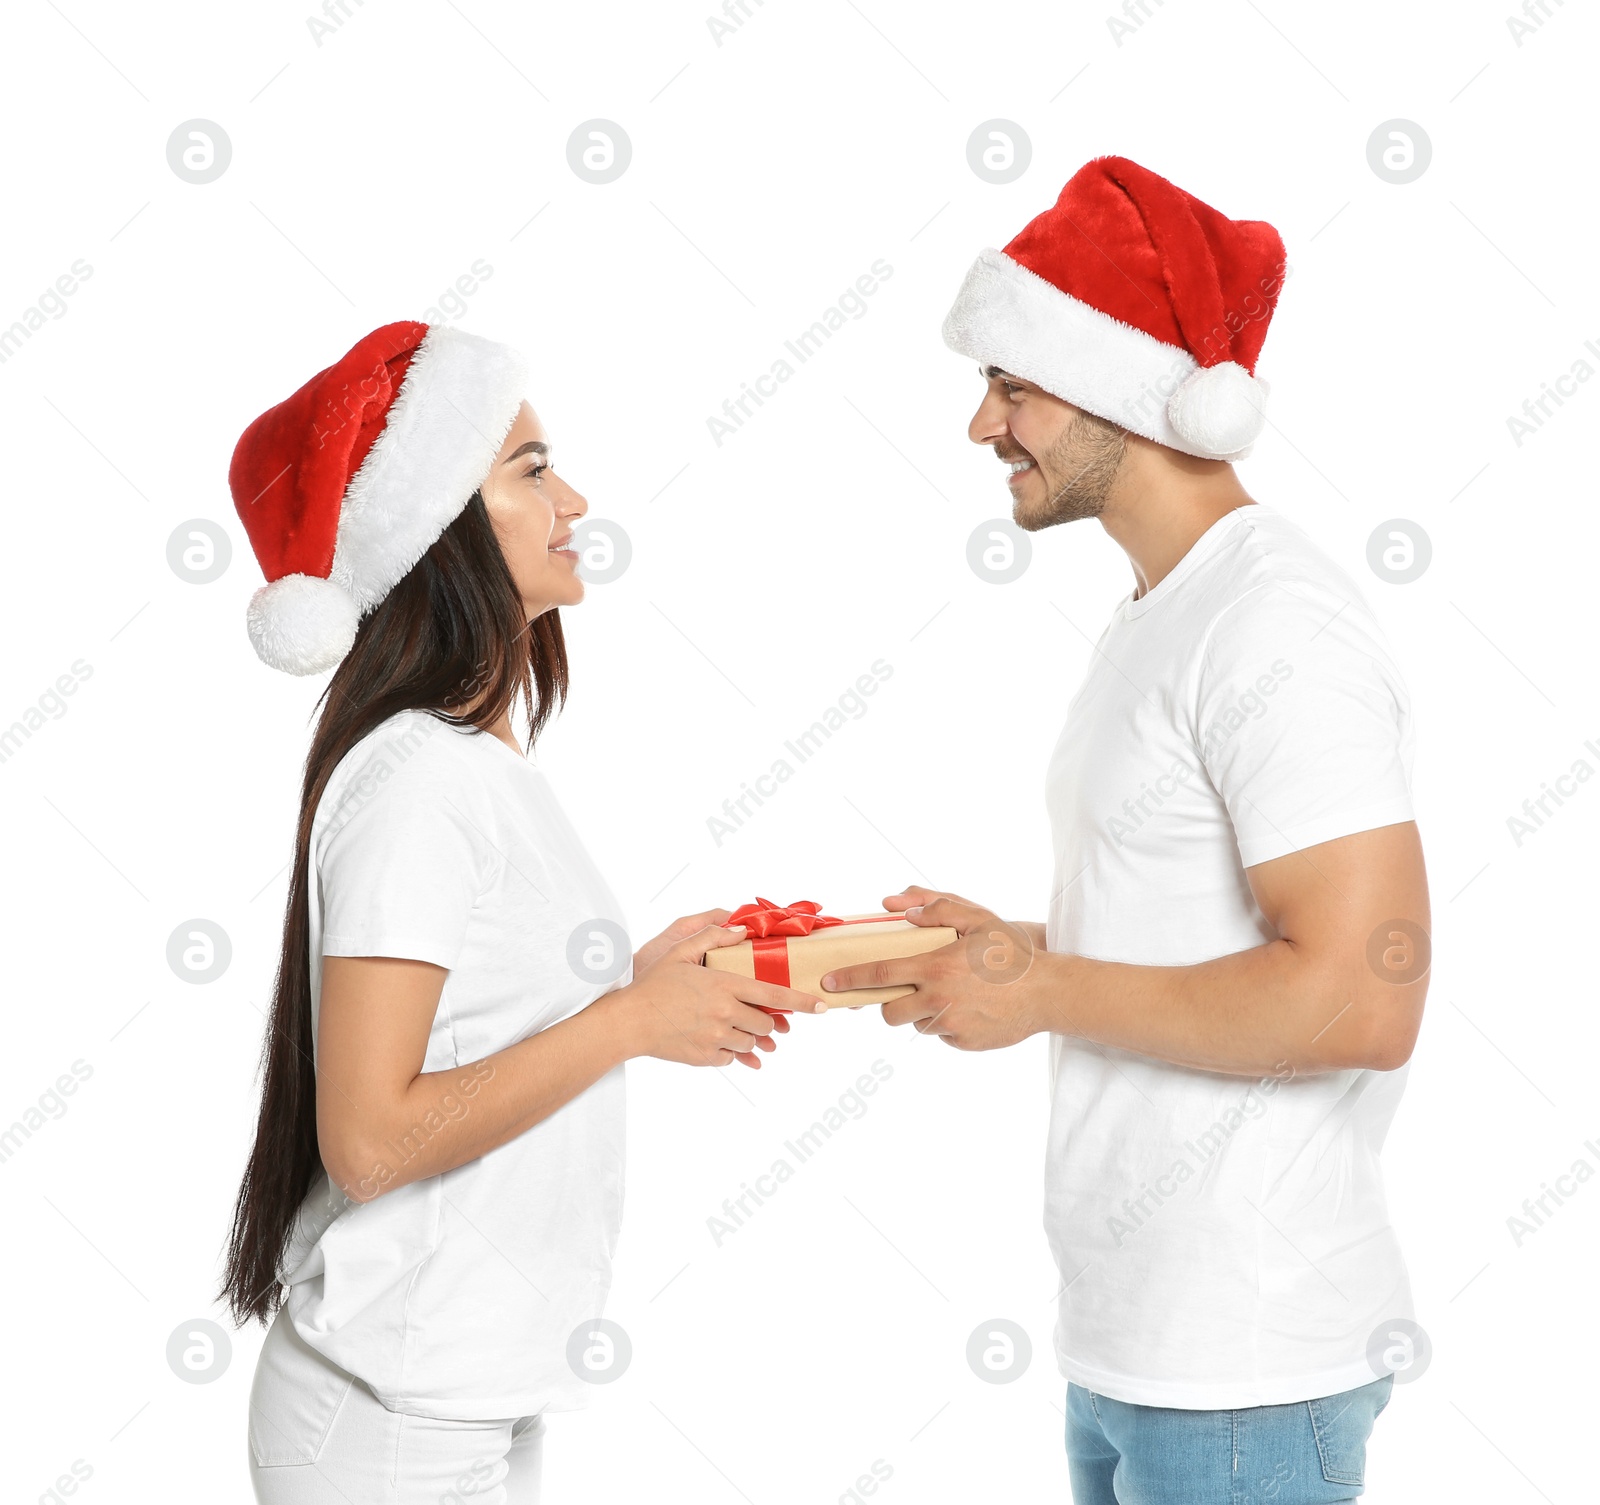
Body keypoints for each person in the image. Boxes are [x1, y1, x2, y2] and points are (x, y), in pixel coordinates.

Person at [821, 157, 1430, 1504]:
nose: (983, 425)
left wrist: (1039, 988)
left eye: (1012, 384)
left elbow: (1362, 995)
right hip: (1135, 1353)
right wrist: (1018, 950)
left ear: (1129, 390)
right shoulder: (1164, 613)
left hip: (1246, 1370)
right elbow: (1198, 938)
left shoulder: (1278, 623)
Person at [219, 320, 820, 1504]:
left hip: (458, 1391)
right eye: (532, 471)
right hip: (389, 1417)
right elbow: (371, 1139)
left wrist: (639, 982)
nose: (574, 497)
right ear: (437, 526)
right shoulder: (417, 782)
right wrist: (631, 1021)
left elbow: (474, 1023)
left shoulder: (470, 766)